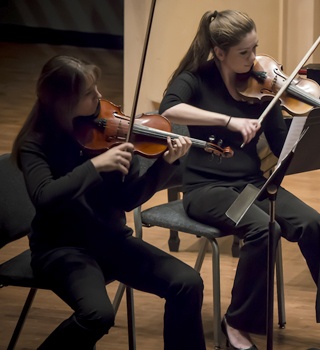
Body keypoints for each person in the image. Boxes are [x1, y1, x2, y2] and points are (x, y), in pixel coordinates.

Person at [158, 10, 320, 350]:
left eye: (255, 48)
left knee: (313, 223)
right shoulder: (196, 78)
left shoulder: (262, 87)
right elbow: (168, 109)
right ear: (219, 51)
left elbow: (281, 145)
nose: (253, 58)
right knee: (263, 229)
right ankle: (236, 324)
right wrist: (228, 121)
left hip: (251, 184)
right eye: (244, 52)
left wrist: (316, 136)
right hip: (206, 188)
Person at [11, 55, 203, 349]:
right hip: (62, 249)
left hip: (111, 241)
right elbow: (44, 196)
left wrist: (166, 164)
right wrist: (95, 166)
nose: (99, 96)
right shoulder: (35, 143)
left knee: (187, 283)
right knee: (97, 315)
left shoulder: (106, 134)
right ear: (63, 102)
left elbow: (128, 200)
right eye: (89, 93)